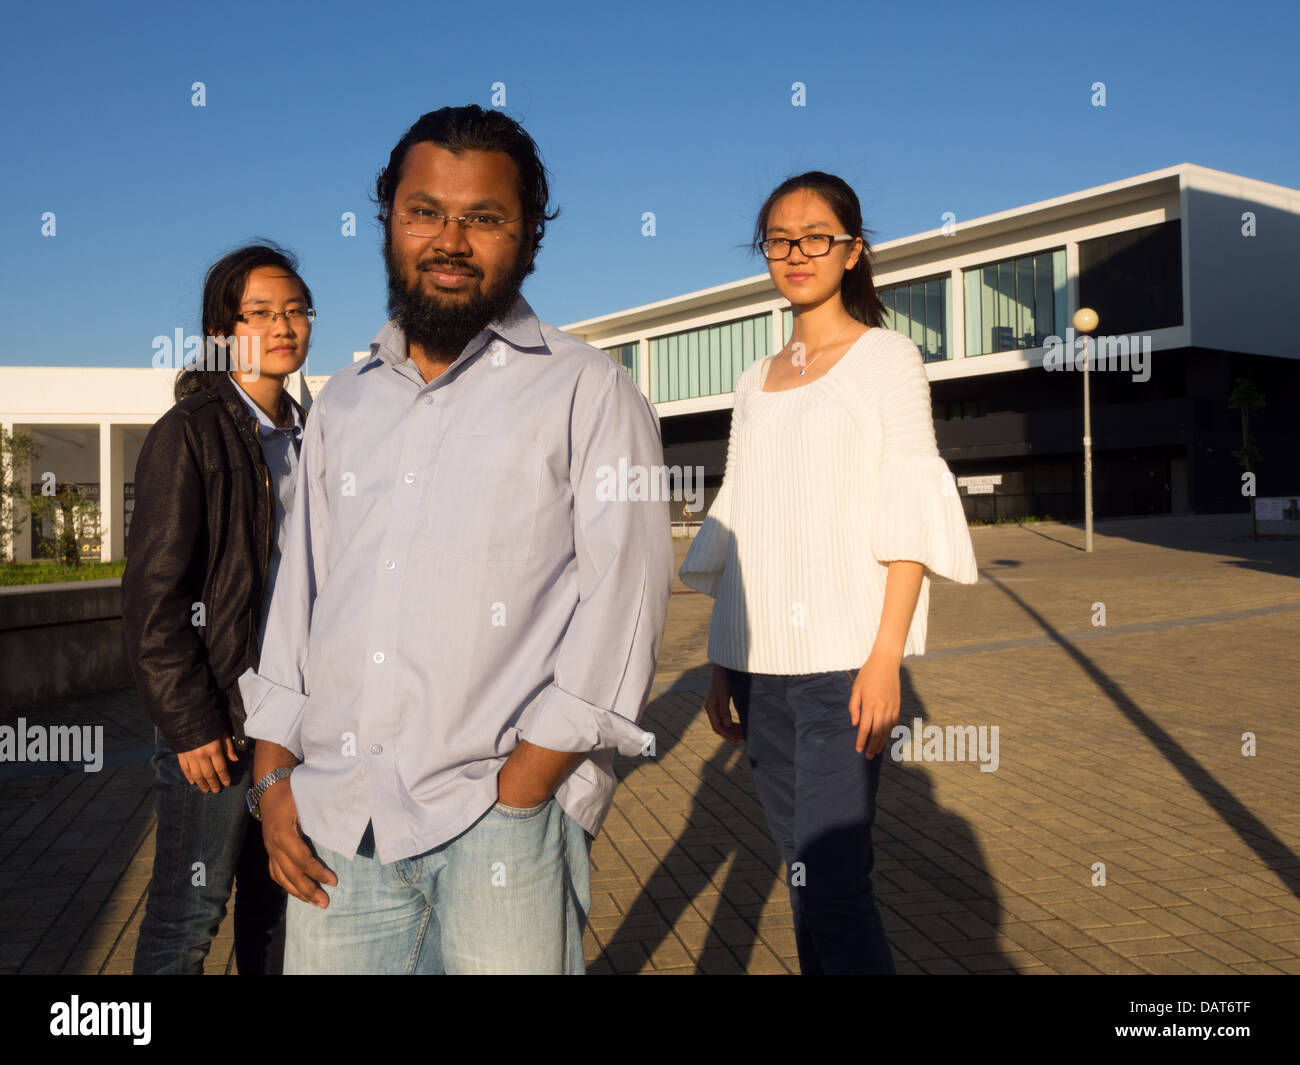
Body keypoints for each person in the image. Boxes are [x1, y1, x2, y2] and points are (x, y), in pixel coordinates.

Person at [237, 105, 673, 975]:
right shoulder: (346, 402)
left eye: (485, 218)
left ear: (530, 235)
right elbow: (301, 598)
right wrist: (273, 779)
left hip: (498, 830)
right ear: (390, 222)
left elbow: (625, 604)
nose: (450, 239)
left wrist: (527, 789)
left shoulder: (587, 392)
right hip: (336, 831)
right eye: (425, 211)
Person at [679, 172, 979, 974]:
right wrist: (721, 660)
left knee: (836, 883)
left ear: (852, 251)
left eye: (817, 236)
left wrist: (885, 657)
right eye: (780, 239)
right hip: (758, 670)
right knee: (806, 878)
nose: (796, 252)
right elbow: (741, 515)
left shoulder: (888, 358)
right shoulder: (754, 378)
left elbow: (910, 510)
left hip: (843, 667)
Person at [122, 242, 314, 974]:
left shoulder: (312, 435)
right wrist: (190, 723)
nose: (283, 325)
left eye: (295, 309)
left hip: (295, 726)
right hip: (222, 729)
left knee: (280, 917)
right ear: (222, 329)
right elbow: (152, 598)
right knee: (186, 921)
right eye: (260, 312)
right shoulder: (191, 433)